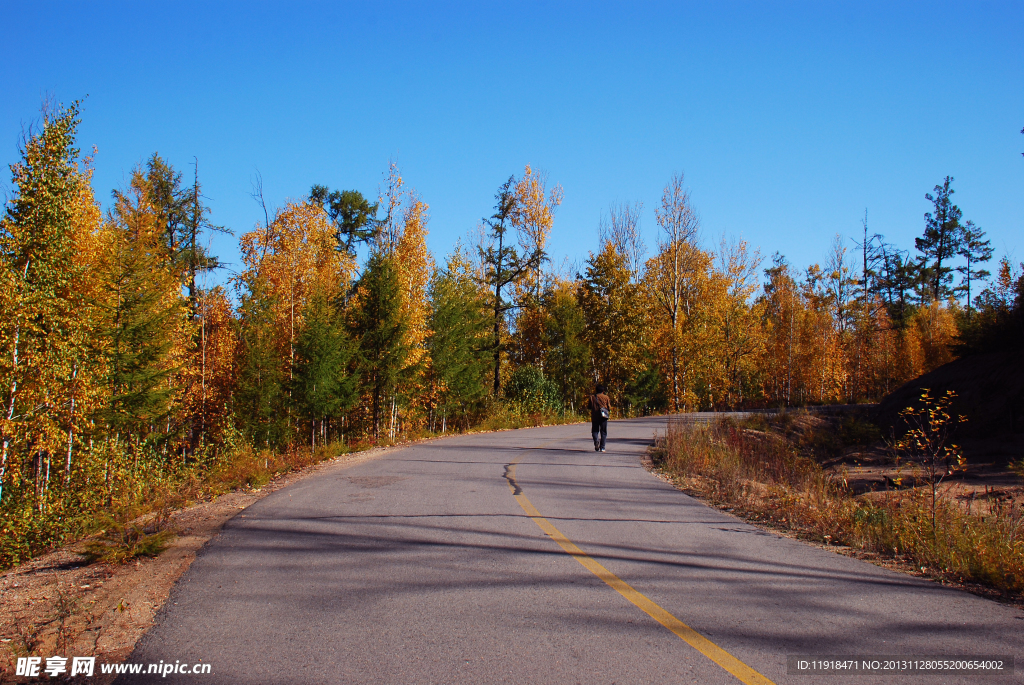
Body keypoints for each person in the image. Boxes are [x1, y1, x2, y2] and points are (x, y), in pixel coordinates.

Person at [590, 384, 611, 452]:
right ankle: (602, 448)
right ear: (603, 391)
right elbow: (609, 407)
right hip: (603, 416)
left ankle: (596, 441)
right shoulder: (606, 397)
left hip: (595, 416)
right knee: (603, 432)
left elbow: (589, 406)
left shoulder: (592, 397)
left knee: (595, 431)